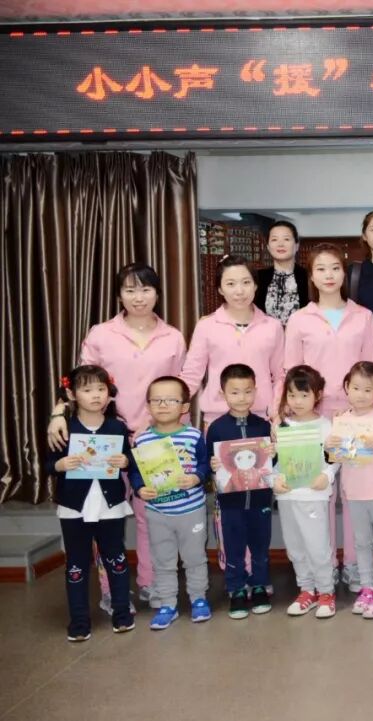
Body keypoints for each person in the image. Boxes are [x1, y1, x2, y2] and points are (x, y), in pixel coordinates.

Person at [47, 262, 187, 609]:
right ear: (119, 295)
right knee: (102, 514)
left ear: (157, 293)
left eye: (146, 289)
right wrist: (58, 412)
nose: (139, 297)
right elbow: (79, 382)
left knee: (151, 515)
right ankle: (111, 590)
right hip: (105, 436)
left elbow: (178, 390)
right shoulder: (100, 334)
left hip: (155, 438)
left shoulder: (172, 337)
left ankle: (151, 583)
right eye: (130, 290)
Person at [284, 243, 373, 591]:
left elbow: (371, 370)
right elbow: (291, 371)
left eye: (335, 268)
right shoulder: (299, 319)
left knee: (352, 494)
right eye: (321, 269)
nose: (328, 275)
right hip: (312, 419)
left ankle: (353, 565)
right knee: (317, 491)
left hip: (354, 417)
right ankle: (322, 567)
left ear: (344, 273)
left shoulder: (363, 316)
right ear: (311, 276)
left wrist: (358, 408)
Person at [48, 365, 135, 641]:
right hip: (74, 507)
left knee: (116, 560)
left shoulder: (116, 426)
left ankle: (122, 613)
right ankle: (79, 621)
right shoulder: (64, 427)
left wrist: (125, 460)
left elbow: (129, 461)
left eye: (101, 388)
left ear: (109, 392)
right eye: (87, 390)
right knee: (76, 565)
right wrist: (61, 464)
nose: (96, 395)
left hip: (110, 506)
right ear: (72, 394)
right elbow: (49, 463)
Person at [127, 376, 211, 630]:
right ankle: (167, 604)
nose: (163, 405)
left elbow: (205, 465)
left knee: (195, 558)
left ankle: (198, 599)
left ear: (184, 406)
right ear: (148, 406)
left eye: (171, 400)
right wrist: (140, 489)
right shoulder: (142, 440)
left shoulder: (194, 435)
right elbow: (136, 472)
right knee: (162, 561)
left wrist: (196, 477)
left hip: (191, 511)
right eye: (156, 400)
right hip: (158, 513)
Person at [327, 361, 373, 619]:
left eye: (368, 390)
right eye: (356, 388)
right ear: (346, 387)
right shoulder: (342, 420)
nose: (361, 394)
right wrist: (329, 446)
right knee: (362, 543)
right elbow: (334, 458)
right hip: (354, 492)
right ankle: (367, 588)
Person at [206, 364, 275, 620]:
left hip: (260, 499)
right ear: (222, 393)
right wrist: (213, 465)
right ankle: (235, 588)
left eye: (247, 391)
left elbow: (271, 465)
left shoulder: (263, 426)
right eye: (234, 392)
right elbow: (208, 463)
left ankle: (259, 586)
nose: (242, 398)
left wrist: (273, 454)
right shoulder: (216, 428)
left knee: (260, 545)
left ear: (255, 391)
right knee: (233, 547)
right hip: (230, 502)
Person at [181, 255, 285, 425]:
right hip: (217, 418)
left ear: (255, 285)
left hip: (262, 417)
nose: (239, 291)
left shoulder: (273, 326)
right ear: (220, 289)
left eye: (246, 282)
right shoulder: (206, 326)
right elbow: (192, 375)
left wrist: (276, 410)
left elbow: (280, 375)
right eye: (230, 284)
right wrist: (170, 406)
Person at [273, 365, 339, 620]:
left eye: (304, 395)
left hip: (313, 495)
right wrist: (274, 480)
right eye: (291, 395)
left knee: (317, 546)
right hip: (288, 496)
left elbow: (334, 457)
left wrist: (327, 475)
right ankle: (306, 590)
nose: (297, 401)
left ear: (317, 395)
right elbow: (273, 462)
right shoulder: (281, 426)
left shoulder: (326, 426)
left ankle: (326, 591)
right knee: (295, 547)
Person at [255, 219, 309, 326]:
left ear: (297, 245)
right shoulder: (257, 278)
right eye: (274, 239)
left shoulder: (309, 277)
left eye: (286, 239)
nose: (280, 244)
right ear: (268, 247)